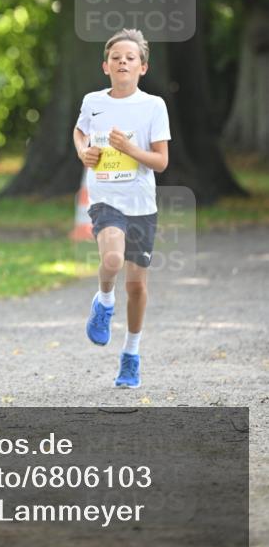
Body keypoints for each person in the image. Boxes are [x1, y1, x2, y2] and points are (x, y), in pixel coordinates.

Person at [72, 28, 170, 388]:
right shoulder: (93, 101)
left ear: (142, 67)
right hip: (106, 199)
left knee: (138, 287)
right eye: (116, 57)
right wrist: (84, 151)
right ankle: (103, 301)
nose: (123, 62)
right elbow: (80, 133)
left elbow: (160, 161)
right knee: (111, 260)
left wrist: (130, 151)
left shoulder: (153, 106)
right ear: (105, 65)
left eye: (130, 58)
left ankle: (131, 354)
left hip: (141, 204)